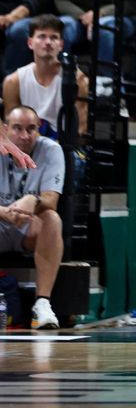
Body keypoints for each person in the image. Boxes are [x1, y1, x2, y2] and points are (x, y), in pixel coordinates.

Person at [0, 104, 65, 329]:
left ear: (39, 130)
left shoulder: (51, 150)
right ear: (5, 129)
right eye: (17, 128)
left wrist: (32, 201)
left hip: (28, 227)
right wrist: (4, 212)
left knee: (52, 219)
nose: (24, 135)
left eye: (31, 129)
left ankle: (42, 304)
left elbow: (51, 200)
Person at [2, 14, 86, 139]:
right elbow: (10, 128)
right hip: (25, 145)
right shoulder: (13, 81)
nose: (48, 42)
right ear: (30, 43)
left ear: (61, 45)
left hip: (63, 146)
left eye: (54, 37)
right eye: (42, 36)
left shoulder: (77, 79)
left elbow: (81, 128)